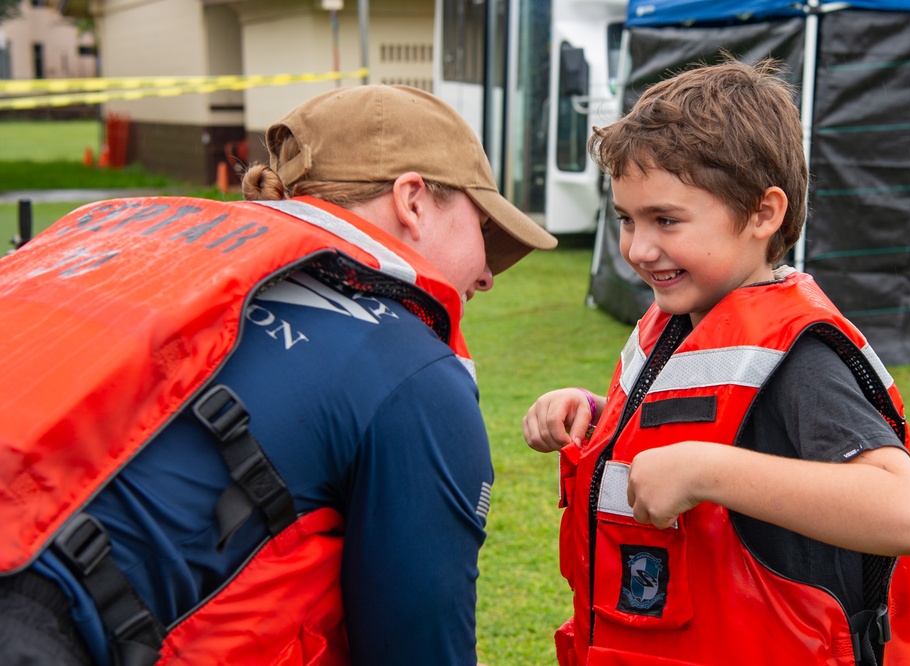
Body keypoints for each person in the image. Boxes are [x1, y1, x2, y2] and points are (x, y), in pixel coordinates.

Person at [0, 84, 556, 666]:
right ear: (412, 200)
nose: (490, 274)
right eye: (484, 232)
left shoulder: (173, 267)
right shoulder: (411, 372)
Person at [521, 58, 910, 666]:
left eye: (666, 219)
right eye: (626, 220)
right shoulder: (677, 326)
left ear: (763, 214)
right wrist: (593, 414)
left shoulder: (802, 360)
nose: (639, 248)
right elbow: (692, 421)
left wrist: (707, 470)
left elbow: (906, 514)